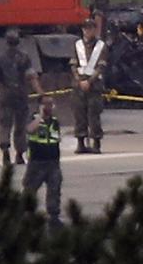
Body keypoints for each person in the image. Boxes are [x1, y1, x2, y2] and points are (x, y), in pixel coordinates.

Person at [0, 28, 43, 166]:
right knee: (20, 124)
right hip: (21, 94)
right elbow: (31, 76)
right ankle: (20, 154)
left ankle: (5, 152)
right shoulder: (25, 57)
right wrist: (40, 93)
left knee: (4, 123)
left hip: (5, 94)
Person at [24, 95, 63, 228]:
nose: (49, 107)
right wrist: (40, 117)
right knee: (30, 189)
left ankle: (54, 216)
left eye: (51, 104)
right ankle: (26, 216)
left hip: (53, 162)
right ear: (40, 105)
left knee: (54, 189)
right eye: (46, 104)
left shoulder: (55, 121)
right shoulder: (33, 119)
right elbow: (29, 130)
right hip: (37, 162)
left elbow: (57, 138)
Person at [71, 19, 108, 154]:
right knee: (79, 114)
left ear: (94, 29)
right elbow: (73, 65)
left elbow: (101, 67)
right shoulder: (77, 45)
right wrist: (79, 81)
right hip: (79, 85)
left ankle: (96, 143)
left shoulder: (101, 46)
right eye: (85, 28)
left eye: (90, 28)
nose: (87, 31)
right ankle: (81, 142)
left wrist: (89, 81)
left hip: (94, 84)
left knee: (94, 114)